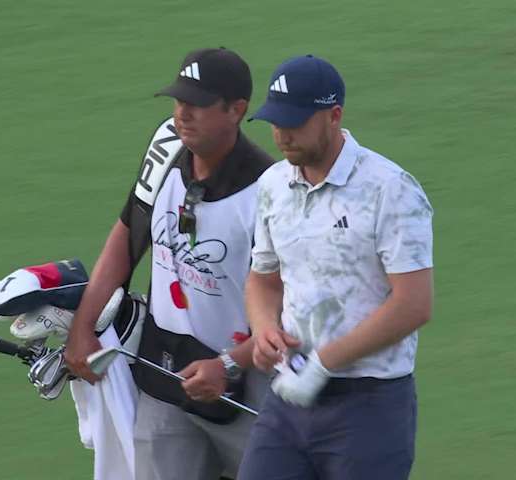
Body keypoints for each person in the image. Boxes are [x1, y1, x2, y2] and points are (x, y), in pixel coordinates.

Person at [64, 47, 273, 480]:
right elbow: (126, 236)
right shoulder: (166, 146)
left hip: (249, 389)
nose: (183, 114)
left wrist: (229, 364)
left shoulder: (270, 191)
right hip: (164, 373)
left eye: (197, 104)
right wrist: (83, 328)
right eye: (179, 101)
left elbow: (288, 308)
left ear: (237, 110)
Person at [239, 55, 434, 480]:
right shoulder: (273, 185)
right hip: (287, 400)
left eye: (295, 121)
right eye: (275, 121)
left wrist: (324, 363)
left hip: (369, 406)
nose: (282, 134)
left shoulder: (391, 190)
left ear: (334, 116)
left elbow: (414, 304)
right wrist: (264, 327)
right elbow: (263, 279)